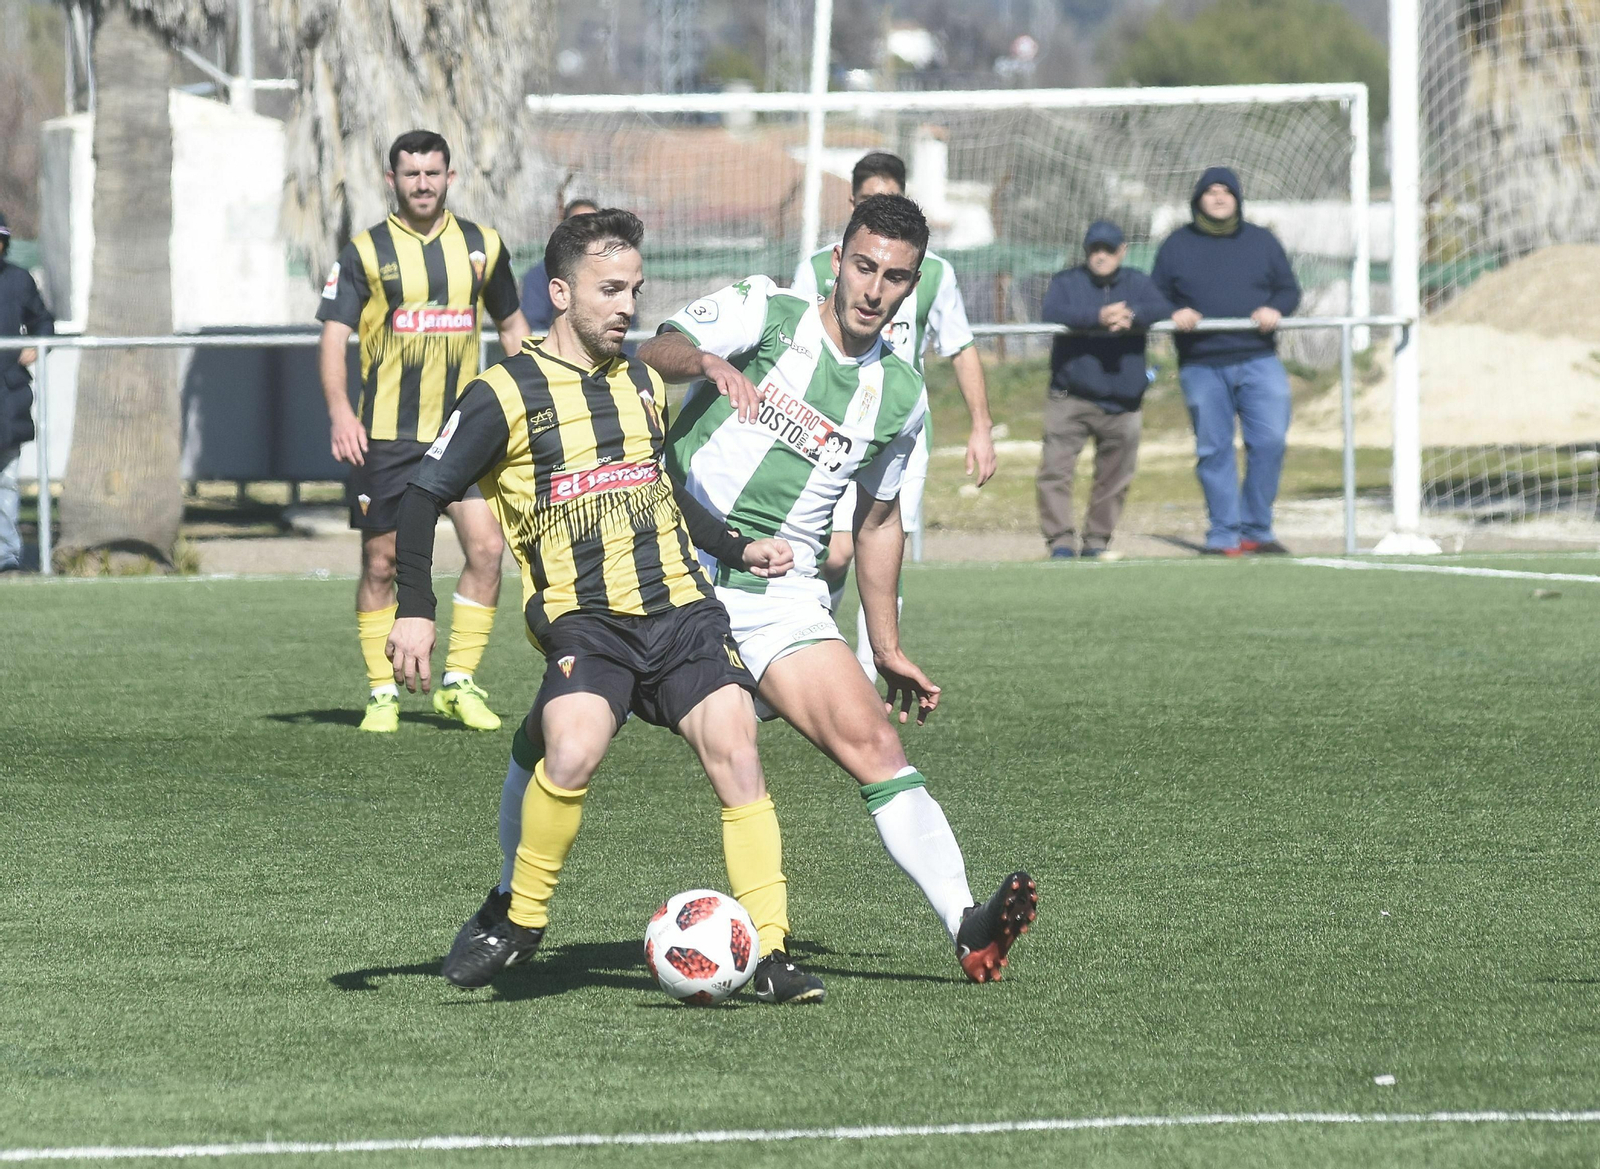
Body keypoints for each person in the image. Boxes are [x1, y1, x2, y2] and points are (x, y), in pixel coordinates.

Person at [390, 208, 824, 1003]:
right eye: (609, 289)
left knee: (737, 751)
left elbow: (658, 493)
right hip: (587, 620)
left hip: (683, 610)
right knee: (574, 748)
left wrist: (734, 548)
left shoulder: (643, 382)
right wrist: (415, 607)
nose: (628, 306)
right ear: (560, 292)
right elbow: (423, 497)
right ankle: (520, 919)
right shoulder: (504, 392)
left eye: (636, 289)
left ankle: (770, 953)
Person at [640, 194, 1037, 984]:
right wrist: (710, 362)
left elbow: (880, 519)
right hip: (665, 563)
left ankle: (967, 924)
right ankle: (513, 907)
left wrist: (884, 646)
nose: (873, 289)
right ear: (836, 260)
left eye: (895, 277)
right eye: (863, 266)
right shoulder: (768, 310)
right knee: (567, 734)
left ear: (912, 283)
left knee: (877, 747)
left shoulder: (899, 395)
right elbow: (660, 347)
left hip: (776, 597)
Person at [316, 130, 532, 733]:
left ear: (450, 177)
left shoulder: (482, 246)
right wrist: (340, 412)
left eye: (432, 173)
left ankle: (458, 683)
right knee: (381, 562)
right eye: (410, 174)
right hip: (385, 433)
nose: (422, 184)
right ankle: (382, 691)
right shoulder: (364, 251)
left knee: (488, 550)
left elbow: (513, 325)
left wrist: (527, 400)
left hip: (463, 431)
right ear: (392, 180)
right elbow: (334, 337)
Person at [789, 151, 998, 678]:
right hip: (830, 431)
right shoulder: (818, 266)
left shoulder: (936, 274)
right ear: (853, 206)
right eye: (869, 203)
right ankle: (805, 642)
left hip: (899, 435)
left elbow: (961, 347)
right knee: (834, 554)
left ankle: (869, 670)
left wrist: (980, 428)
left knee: (884, 543)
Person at [1151, 166, 1301, 556]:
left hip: (1258, 359)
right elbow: (1155, 296)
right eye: (1211, 191)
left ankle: (1257, 530)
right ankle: (1223, 535)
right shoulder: (1176, 245)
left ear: (1237, 199)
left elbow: (1288, 289)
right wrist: (1174, 312)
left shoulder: (1262, 241)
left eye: (1226, 192)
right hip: (1201, 364)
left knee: (1268, 441)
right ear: (1198, 199)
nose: (1219, 198)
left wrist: (1275, 308)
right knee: (1213, 449)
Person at [1037, 219, 1172, 559]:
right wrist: (1098, 317)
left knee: (1114, 478)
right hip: (1071, 397)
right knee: (1055, 471)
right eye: (1094, 249)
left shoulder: (1137, 282)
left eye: (1108, 250)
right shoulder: (1067, 281)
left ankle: (1097, 540)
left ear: (1122, 251)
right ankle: (1060, 542)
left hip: (1123, 401)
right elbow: (1052, 310)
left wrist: (1132, 315)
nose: (1100, 256)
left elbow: (1161, 307)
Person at [0, 213, 53, 574]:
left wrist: (40, 346)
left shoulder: (18, 280)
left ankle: (5, 556)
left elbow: (43, 322)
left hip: (7, 398)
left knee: (5, 480)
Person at [518, 197, 598, 333]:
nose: (587, 231)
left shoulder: (612, 273)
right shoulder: (539, 276)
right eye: (579, 223)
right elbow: (535, 326)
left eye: (594, 224)